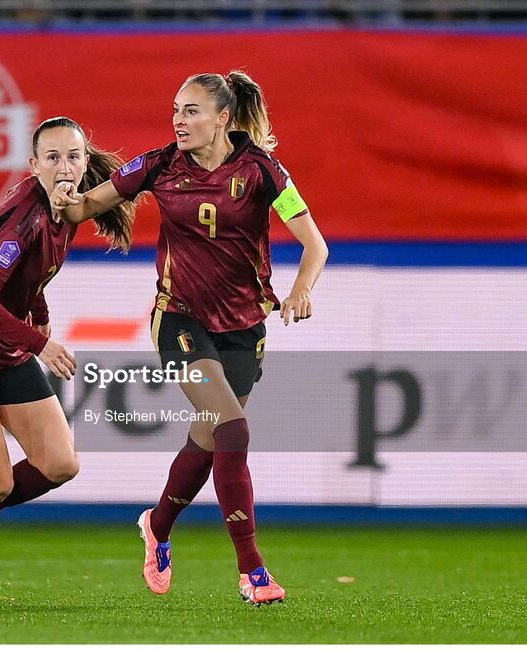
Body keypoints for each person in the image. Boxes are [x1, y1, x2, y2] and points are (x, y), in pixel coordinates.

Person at [52, 71, 328, 605]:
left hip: (245, 326)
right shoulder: (159, 165)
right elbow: (85, 207)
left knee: (210, 438)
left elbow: (314, 245)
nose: (179, 120)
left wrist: (300, 289)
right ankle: (253, 570)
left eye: (193, 111)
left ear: (224, 117)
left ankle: (157, 525)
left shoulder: (262, 171)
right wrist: (63, 192)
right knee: (234, 428)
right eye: (176, 110)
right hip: (179, 320)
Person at [0, 117, 135, 604]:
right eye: (52, 158)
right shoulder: (25, 219)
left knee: (60, 463)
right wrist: (41, 345)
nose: (65, 167)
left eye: (74, 157)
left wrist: (38, 312)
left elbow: (28, 277)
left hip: (5, 349)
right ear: (34, 165)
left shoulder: (66, 210)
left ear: (85, 160)